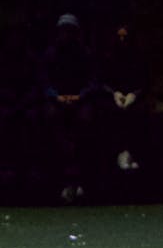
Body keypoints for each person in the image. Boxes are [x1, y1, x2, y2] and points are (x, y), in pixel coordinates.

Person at [37, 13, 104, 202]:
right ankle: (60, 177)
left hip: (80, 101)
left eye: (70, 31)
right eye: (63, 32)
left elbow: (93, 81)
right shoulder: (51, 54)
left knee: (86, 123)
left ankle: (83, 178)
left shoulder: (85, 54)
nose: (66, 35)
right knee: (51, 121)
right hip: (57, 101)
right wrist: (56, 96)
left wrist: (80, 96)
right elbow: (44, 81)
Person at [101, 23, 150, 172]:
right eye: (119, 36)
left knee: (137, 114)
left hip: (134, 96)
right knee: (114, 114)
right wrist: (114, 93)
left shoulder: (138, 57)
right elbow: (103, 81)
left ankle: (133, 153)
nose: (122, 40)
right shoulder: (109, 57)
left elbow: (145, 80)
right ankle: (120, 152)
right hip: (113, 97)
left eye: (125, 36)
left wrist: (134, 94)